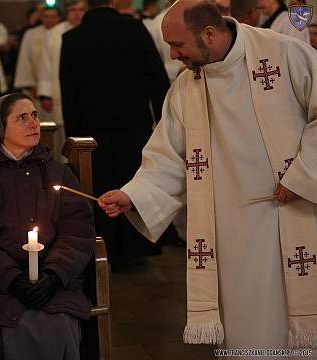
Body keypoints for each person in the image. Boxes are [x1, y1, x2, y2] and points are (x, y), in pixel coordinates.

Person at [99, 0, 317, 351]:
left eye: (178, 45)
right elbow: (168, 155)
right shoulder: (188, 87)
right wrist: (134, 194)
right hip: (230, 237)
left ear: (210, 34)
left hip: (296, 215)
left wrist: (304, 174)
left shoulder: (283, 54)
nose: (172, 56)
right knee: (249, 335)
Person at [0, 93, 95, 360]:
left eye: (34, 115)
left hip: (55, 284)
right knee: (12, 328)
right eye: (22, 117)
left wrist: (54, 276)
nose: (33, 123)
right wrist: (12, 280)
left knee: (58, 323)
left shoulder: (58, 173)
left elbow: (78, 230)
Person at [60, 0, 170, 270]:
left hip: (92, 130)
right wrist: (163, 122)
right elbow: (157, 76)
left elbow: (69, 93)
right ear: (112, 2)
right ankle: (135, 247)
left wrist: (75, 139)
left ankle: (104, 246)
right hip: (134, 124)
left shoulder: (73, 38)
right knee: (133, 182)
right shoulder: (134, 28)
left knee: (101, 187)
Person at [36, 0, 86, 158]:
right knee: (61, 136)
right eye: (73, 10)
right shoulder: (54, 33)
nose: (77, 13)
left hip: (85, 92)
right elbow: (45, 64)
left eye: (80, 10)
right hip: (59, 91)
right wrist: (45, 93)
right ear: (67, 12)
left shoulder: (90, 31)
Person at [13, 5, 61, 117]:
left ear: (59, 18)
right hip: (36, 89)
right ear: (41, 18)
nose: (49, 20)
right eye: (46, 16)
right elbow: (24, 61)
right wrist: (31, 85)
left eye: (53, 17)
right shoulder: (31, 34)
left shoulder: (64, 33)